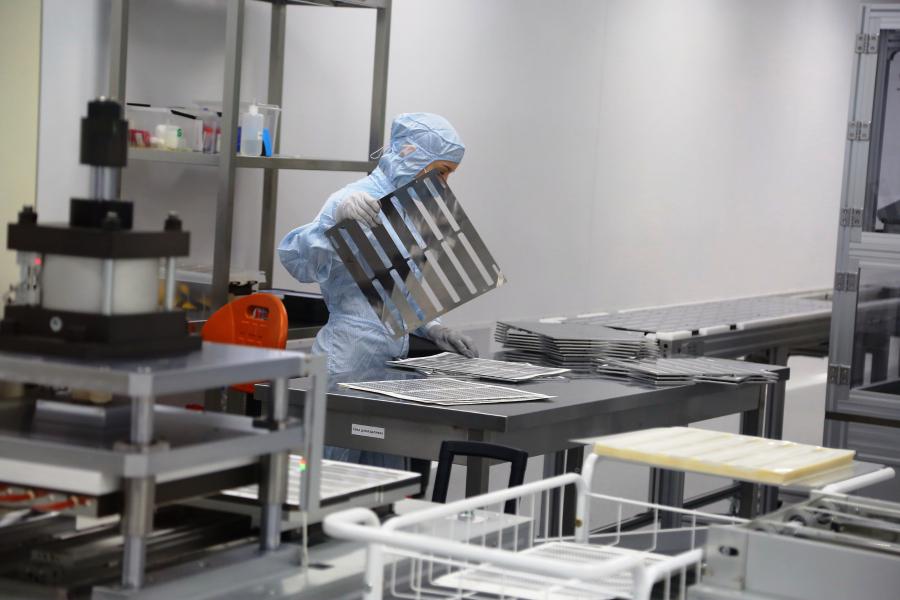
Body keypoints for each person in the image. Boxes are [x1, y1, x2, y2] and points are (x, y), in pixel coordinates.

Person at [278, 113, 477, 467]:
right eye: (441, 171)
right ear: (412, 155)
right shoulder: (351, 200)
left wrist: (433, 328)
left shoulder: (412, 211)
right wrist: (334, 223)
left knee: (384, 481)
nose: (444, 184)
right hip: (347, 361)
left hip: (391, 367)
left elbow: (395, 293)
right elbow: (298, 262)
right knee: (327, 474)